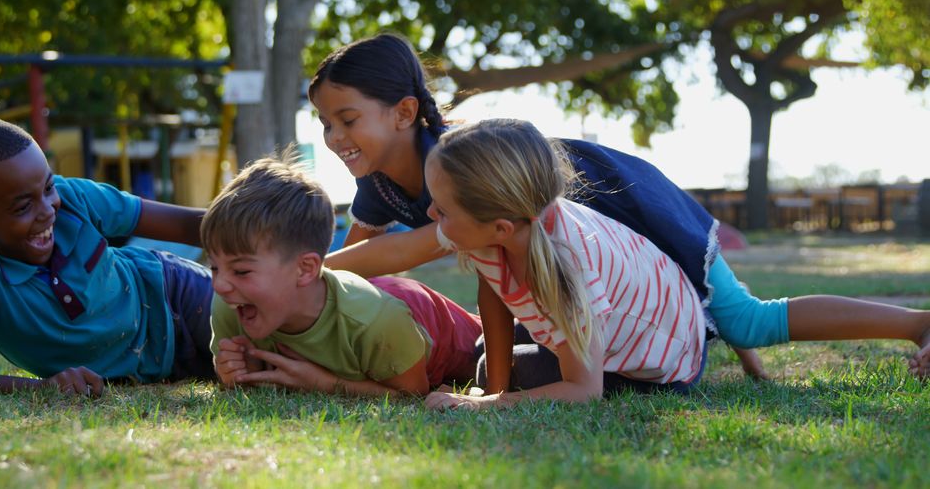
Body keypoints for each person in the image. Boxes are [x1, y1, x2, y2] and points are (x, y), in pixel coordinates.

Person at [311, 33, 769, 378]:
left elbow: (405, 251)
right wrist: (312, 280)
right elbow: (356, 262)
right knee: (525, 345)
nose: (334, 137)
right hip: (572, 260)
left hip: (613, 198)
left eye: (347, 120)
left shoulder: (458, 163)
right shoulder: (379, 180)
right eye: (325, 123)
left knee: (739, 317)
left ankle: (725, 331)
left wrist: (305, 272)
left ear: (405, 113)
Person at [420, 120, 930, 410]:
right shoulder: (510, 223)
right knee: (490, 352)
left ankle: (917, 323)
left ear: (502, 226)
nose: (428, 215)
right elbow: (491, 291)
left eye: (442, 209)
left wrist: (483, 405)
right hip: (655, 296)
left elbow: (583, 390)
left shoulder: (569, 265)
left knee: (748, 320)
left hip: (673, 331)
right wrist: (496, 389)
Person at [0, 116, 216, 397]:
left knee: (260, 349)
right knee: (246, 372)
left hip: (174, 295)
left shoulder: (75, 199)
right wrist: (43, 388)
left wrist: (255, 231)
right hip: (158, 368)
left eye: (47, 187)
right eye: (22, 207)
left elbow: (187, 225)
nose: (47, 210)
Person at [202, 151, 482, 397]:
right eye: (215, 267)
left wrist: (324, 383)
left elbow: (411, 394)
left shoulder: (376, 322)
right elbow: (234, 377)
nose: (221, 284)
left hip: (430, 319)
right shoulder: (232, 305)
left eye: (240, 270)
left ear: (305, 269)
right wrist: (233, 372)